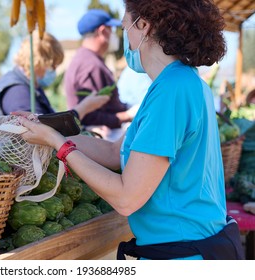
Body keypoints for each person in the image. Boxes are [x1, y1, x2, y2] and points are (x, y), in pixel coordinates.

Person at [14, 0, 244, 260]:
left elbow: (126, 198)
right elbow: (115, 151)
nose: (125, 35)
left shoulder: (171, 91)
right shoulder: (182, 81)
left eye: (126, 26)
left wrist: (59, 145)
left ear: (143, 25)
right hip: (199, 244)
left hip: (185, 254)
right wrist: (45, 128)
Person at [0, 31, 109, 123]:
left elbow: (48, 120)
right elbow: (41, 130)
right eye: (52, 65)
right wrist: (83, 108)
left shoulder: (32, 86)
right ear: (39, 62)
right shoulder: (17, 91)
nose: (54, 71)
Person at [64, 9, 135, 141]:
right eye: (111, 29)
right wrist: (127, 115)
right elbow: (88, 115)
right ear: (102, 31)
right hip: (102, 138)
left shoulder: (85, 59)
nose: (114, 35)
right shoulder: (91, 65)